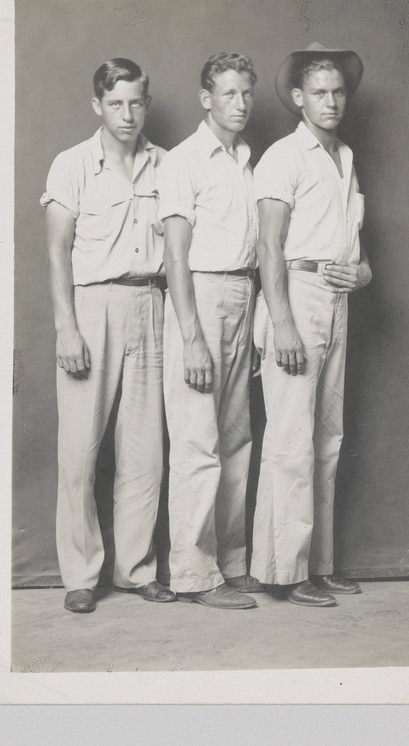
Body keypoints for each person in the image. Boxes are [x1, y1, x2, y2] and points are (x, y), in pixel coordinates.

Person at [42, 58, 175, 613]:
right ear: (98, 105)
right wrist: (66, 327)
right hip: (92, 307)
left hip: (152, 301)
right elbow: (55, 252)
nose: (128, 114)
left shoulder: (167, 164)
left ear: (147, 102)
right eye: (116, 103)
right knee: (78, 452)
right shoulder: (72, 164)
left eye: (136, 102)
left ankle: (136, 569)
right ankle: (80, 574)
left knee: (144, 452)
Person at [251, 42, 372, 607]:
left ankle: (317, 565)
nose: (331, 101)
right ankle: (284, 570)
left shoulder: (344, 157)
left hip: (336, 299)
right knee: (291, 439)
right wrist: (282, 325)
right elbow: (269, 247)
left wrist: (363, 270)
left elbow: (350, 240)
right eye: (319, 92)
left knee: (327, 439)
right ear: (298, 98)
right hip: (293, 299)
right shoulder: (283, 156)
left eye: (338, 91)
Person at [158, 53, 263, 609]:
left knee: (236, 439)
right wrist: (192, 336)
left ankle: (231, 561)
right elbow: (175, 255)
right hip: (199, 297)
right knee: (198, 442)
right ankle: (195, 576)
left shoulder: (247, 158)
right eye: (228, 94)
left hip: (244, 295)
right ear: (206, 99)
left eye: (246, 93)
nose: (240, 104)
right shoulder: (183, 161)